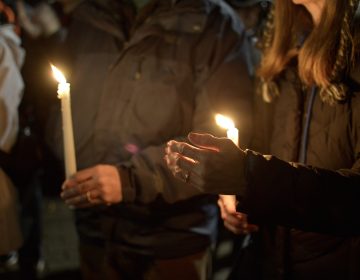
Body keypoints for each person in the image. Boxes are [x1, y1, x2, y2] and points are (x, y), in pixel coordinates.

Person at [47, 0, 253, 279]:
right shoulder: (90, 13)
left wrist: (131, 179)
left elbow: (215, 140)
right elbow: (62, 106)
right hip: (95, 229)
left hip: (170, 238)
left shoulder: (213, 24)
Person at [165, 0, 360, 279]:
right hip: (270, 261)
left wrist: (249, 177)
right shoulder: (283, 49)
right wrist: (237, 197)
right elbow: (261, 147)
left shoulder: (354, 51)